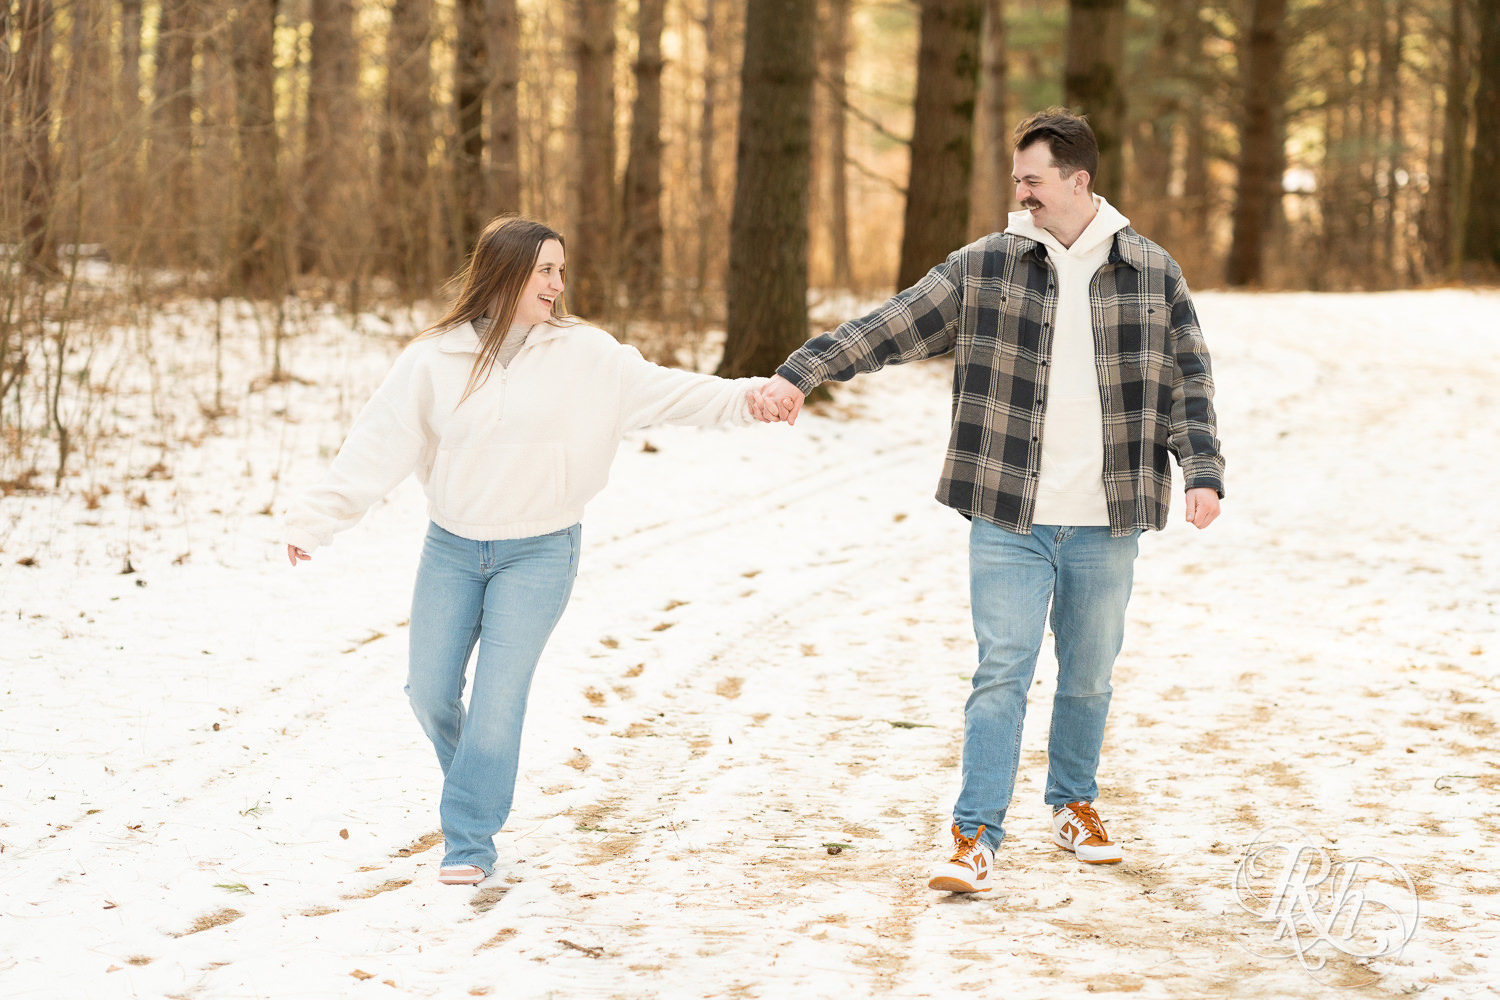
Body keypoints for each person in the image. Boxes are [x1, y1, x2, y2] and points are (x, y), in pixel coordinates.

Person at [747, 108, 1225, 893]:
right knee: (1002, 672)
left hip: (1108, 516)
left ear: (1079, 181)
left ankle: (1074, 803)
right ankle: (975, 835)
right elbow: (891, 324)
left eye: (1034, 181)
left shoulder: (1150, 269)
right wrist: (803, 370)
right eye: (1017, 181)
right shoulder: (987, 265)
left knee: (1089, 675)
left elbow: (1188, 380)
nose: (1022, 194)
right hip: (1009, 513)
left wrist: (1200, 469)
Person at [283, 216, 764, 886]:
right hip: (451, 546)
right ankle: (481, 777)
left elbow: (670, 391)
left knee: (497, 701)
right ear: (504, 272)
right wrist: (317, 519)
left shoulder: (586, 354)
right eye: (545, 270)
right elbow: (379, 441)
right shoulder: (435, 357)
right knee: (428, 694)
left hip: (539, 551)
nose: (558, 284)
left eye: (560, 271)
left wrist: (752, 397)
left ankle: (469, 842)